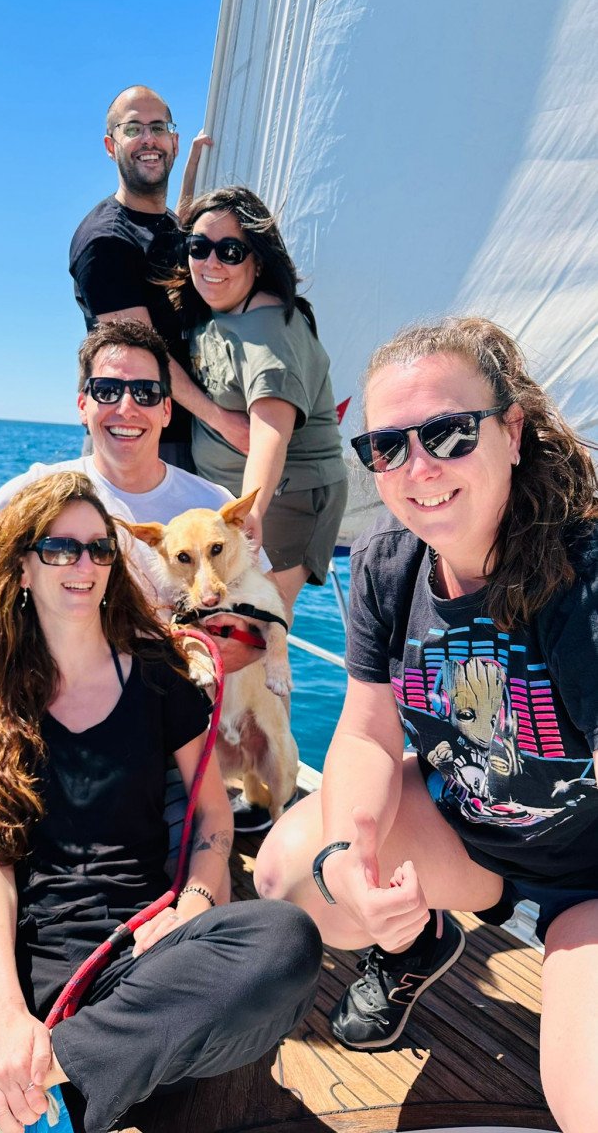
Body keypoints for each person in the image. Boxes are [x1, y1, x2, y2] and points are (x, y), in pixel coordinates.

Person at [253, 316, 598, 1133]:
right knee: (293, 876)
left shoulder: (580, 577)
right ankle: (415, 940)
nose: (418, 468)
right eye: (387, 446)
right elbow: (366, 733)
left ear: (511, 431)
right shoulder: (389, 561)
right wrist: (349, 855)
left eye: (447, 433)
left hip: (585, 877)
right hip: (468, 836)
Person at [0, 472, 322, 1133]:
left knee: (284, 942)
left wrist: (194, 904)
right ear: (22, 568)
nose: (83, 564)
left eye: (99, 548)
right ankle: (70, 1090)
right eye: (59, 548)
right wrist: (3, 1015)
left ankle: (51, 1074)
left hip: (135, 943)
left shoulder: (160, 676)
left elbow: (211, 816)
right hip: (9, 941)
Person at [0, 320, 267, 918]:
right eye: (107, 390)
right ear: (82, 404)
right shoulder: (37, 493)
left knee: (179, 911)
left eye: (146, 393)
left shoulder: (213, 506)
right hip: (29, 739)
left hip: (160, 750)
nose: (126, 407)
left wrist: (205, 654)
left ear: (167, 410)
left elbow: (260, 628)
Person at [172, 185, 348, 613]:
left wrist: (250, 516)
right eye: (199, 248)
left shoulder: (267, 329)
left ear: (257, 260)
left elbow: (270, 434)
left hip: (286, 498)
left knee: (251, 625)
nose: (211, 262)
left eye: (230, 252)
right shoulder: (220, 311)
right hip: (231, 502)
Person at [69, 85, 248, 469]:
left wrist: (194, 173)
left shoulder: (166, 223)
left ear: (174, 142)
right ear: (111, 146)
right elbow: (146, 352)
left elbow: (173, 239)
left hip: (191, 434)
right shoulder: (104, 241)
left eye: (158, 128)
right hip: (138, 438)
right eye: (133, 129)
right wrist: (223, 422)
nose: (148, 139)